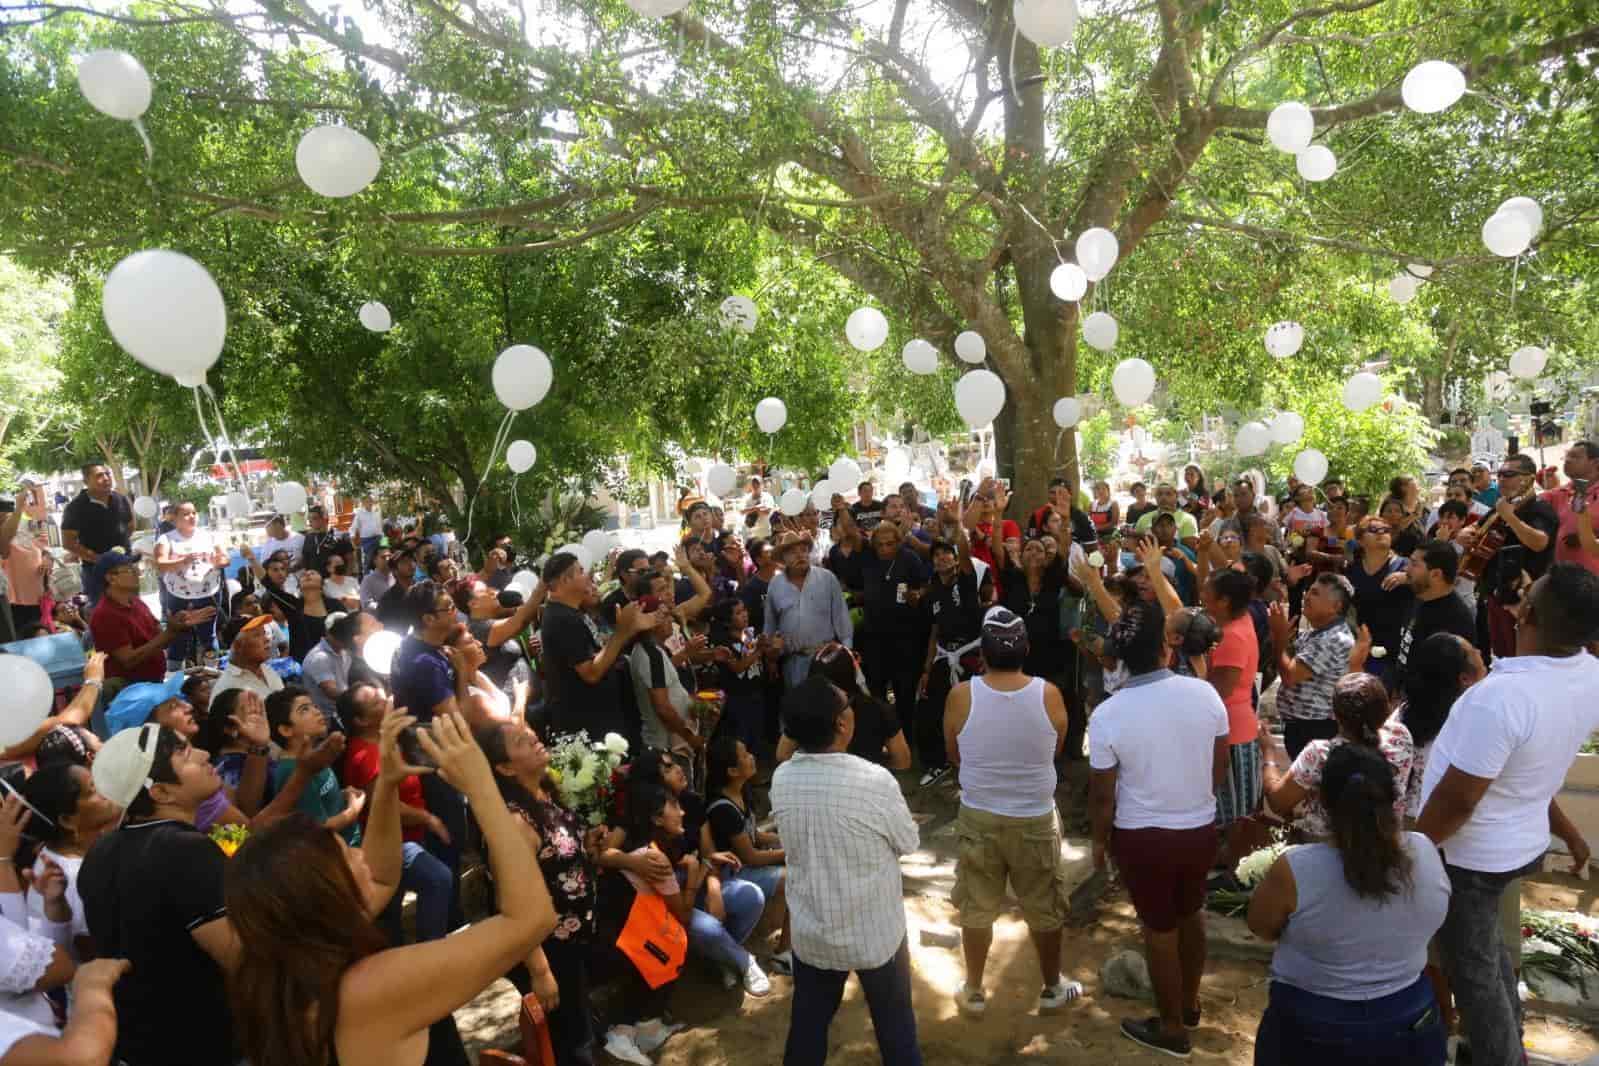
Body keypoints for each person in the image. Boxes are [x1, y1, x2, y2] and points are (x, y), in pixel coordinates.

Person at [226, 711, 557, 1066]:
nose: (359, 853)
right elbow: (532, 919)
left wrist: (387, 781)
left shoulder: (295, 979)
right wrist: (482, 788)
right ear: (323, 891)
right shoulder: (367, 992)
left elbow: (383, 877)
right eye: (344, 853)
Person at [1417, 564, 1599, 1066]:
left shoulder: (1500, 699)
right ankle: (1502, 1042)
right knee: (1489, 955)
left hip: (1470, 857)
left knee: (1475, 981)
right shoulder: (1587, 673)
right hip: (1515, 843)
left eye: (1525, 595)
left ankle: (1502, 1056)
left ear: (1529, 614)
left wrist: (1412, 847)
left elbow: (1458, 800)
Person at [1248, 744, 1450, 1065]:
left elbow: (1261, 926)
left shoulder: (1296, 868)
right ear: (1393, 798)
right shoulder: (1424, 851)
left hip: (1311, 1022)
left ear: (1321, 801)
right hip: (1408, 1016)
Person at [1088, 600, 1229, 1058]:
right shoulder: (1204, 694)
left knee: (1158, 930)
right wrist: (1194, 800)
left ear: (1122, 657)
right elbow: (1218, 764)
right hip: (1199, 828)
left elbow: (1103, 796)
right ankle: (1187, 1006)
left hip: (1143, 838)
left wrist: (1099, 842)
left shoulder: (1109, 713)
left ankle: (1171, 1029)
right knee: (1192, 914)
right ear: (1167, 649)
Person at [772, 675, 922, 1066]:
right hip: (876, 933)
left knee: (807, 1027)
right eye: (847, 704)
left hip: (814, 931)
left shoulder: (782, 778)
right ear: (841, 724)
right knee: (896, 1027)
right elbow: (908, 842)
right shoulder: (874, 780)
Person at [77, 724, 242, 1066]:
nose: (204, 754)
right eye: (185, 754)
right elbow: (239, 956)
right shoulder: (186, 850)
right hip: (197, 1043)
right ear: (161, 792)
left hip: (136, 1042)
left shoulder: (100, 851)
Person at [942, 607, 1080, 1016]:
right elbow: (1053, 751)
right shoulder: (1049, 694)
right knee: (1044, 904)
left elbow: (954, 755)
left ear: (981, 653)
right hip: (1034, 816)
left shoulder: (961, 695)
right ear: (1027, 649)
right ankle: (1053, 987)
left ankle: (973, 989)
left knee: (977, 903)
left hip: (979, 814)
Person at [339, 683, 454, 947]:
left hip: (409, 837)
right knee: (437, 878)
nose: (386, 698)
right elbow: (385, 806)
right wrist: (427, 818)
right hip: (395, 842)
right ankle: (432, 951)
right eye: (376, 702)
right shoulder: (365, 755)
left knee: (389, 910)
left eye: (382, 693)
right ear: (361, 720)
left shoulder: (385, 741)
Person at [1261, 673, 1415, 841]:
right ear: (1386, 709)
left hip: (1326, 850)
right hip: (1386, 846)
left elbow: (1278, 803)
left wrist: (1268, 753)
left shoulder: (1320, 754)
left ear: (1335, 715)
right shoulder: (1401, 736)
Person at [540, 551, 655, 740]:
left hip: (600, 720)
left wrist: (628, 630)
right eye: (581, 571)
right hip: (587, 726)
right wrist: (621, 631)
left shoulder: (572, 613)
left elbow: (601, 655)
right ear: (564, 580)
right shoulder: (562, 619)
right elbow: (591, 673)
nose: (588, 576)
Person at [16, 762, 122, 964]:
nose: (105, 790)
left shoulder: (55, 855)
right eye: (93, 789)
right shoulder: (74, 878)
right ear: (67, 820)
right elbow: (96, 953)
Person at [1459, 453, 1558, 661]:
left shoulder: (1539, 508)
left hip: (1524, 600)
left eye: (1508, 474)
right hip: (1495, 593)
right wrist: (1465, 534)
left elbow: (1540, 542)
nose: (1501, 479)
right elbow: (1474, 527)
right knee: (1502, 658)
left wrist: (1510, 517)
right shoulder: (1501, 507)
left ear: (1528, 479)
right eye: (1500, 474)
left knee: (1524, 659)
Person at [705, 736, 792, 971]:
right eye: (744, 755)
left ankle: (782, 944)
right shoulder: (723, 808)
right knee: (793, 877)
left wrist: (785, 840)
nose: (751, 756)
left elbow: (755, 835)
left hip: (747, 866)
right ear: (732, 770)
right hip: (733, 873)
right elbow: (751, 856)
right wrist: (791, 851)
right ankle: (784, 952)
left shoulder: (742, 793)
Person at [916, 505, 982, 786]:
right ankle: (938, 763)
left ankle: (976, 765)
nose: (942, 558)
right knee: (929, 711)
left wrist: (957, 527)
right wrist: (927, 668)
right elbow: (934, 631)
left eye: (947, 554)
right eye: (937, 555)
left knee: (974, 713)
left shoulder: (966, 582)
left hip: (969, 656)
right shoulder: (932, 593)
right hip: (944, 656)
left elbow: (965, 553)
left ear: (955, 560)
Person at [88, 550, 213, 687]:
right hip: (131, 691)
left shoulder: (135, 602)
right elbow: (129, 659)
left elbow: (160, 639)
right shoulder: (105, 614)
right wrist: (170, 632)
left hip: (153, 683)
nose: (137, 572)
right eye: (129, 569)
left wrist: (177, 626)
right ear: (111, 579)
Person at [1267, 574, 1356, 759]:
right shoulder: (1317, 633)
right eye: (1308, 591)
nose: (1306, 597)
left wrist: (1279, 639)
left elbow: (1290, 675)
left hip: (1315, 729)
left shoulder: (1332, 639)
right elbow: (1291, 659)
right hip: (1303, 727)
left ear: (1336, 606)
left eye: (1315, 593)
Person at [1202, 568, 1260, 844]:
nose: (1201, 596)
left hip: (1231, 733)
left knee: (1232, 813)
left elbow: (1220, 690)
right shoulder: (1238, 620)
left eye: (1206, 592)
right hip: (1237, 726)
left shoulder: (1231, 636)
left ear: (1223, 601)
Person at [266, 685, 365, 844]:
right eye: (304, 709)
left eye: (314, 706)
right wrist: (353, 810)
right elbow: (318, 828)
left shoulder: (316, 754)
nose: (316, 711)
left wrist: (343, 794)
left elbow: (320, 797)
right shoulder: (291, 770)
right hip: (338, 853)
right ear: (286, 729)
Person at [856, 519, 929, 718]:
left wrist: (918, 595)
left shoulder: (910, 559)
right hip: (875, 640)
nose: (885, 548)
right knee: (876, 695)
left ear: (898, 542)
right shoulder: (868, 559)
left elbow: (925, 585)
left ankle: (905, 740)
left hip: (905, 640)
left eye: (890, 544)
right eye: (880, 544)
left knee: (904, 696)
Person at [764, 531, 853, 689]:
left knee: (828, 707)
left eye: (803, 550)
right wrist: (771, 659)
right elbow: (770, 626)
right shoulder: (775, 585)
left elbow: (842, 618)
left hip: (826, 658)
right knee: (799, 709)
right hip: (793, 662)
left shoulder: (827, 578)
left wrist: (847, 654)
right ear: (783, 558)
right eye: (792, 552)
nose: (800, 556)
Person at [1390, 541, 1475, 694]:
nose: (1406, 569)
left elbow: (1447, 682)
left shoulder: (1456, 620)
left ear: (1436, 574)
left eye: (1414, 564)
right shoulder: (1419, 597)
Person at [152, 502, 228, 668]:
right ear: (175, 518)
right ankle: (174, 672)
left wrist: (218, 562)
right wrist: (183, 560)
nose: (192, 517)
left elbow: (224, 558)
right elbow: (160, 563)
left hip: (208, 592)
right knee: (178, 634)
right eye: (186, 514)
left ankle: (212, 671)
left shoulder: (209, 536)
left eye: (194, 513)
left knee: (208, 635)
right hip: (178, 595)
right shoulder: (166, 538)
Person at [1346, 515, 1412, 679]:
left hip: (1394, 649)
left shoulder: (1405, 565)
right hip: (1362, 646)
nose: (1381, 533)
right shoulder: (1353, 569)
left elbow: (1429, 585)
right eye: (1373, 530)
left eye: (1385, 530)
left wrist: (1408, 578)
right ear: (1360, 541)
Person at [60, 463, 133, 607]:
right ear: (86, 481)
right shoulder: (76, 507)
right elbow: (68, 542)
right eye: (99, 475)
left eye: (107, 474)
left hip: (125, 567)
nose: (106, 478)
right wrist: (99, 559)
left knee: (131, 608)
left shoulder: (121, 499)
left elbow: (130, 527)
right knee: (103, 614)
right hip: (95, 572)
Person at [1542, 440, 1599, 574]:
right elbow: (1531, 502)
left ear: (1596, 463)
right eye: (1567, 456)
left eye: (1575, 457)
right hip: (1563, 581)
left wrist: (1589, 536)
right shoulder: (1561, 492)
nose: (1567, 460)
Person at [303, 609, 361, 725]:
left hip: (345, 711)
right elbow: (331, 691)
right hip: (327, 719)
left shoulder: (345, 652)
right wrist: (359, 698)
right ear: (328, 633)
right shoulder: (319, 658)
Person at [211, 614, 286, 703]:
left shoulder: (267, 670)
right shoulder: (226, 688)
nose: (267, 639)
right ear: (238, 646)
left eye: (264, 633)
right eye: (257, 635)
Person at [353, 495, 385, 572]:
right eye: (367, 501)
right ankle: (366, 581)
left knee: (385, 558)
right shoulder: (359, 513)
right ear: (363, 503)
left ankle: (385, 578)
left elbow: (381, 527)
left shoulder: (377, 511)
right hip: (367, 541)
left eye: (371, 501)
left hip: (380, 537)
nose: (369, 503)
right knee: (368, 562)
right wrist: (353, 543)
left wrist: (385, 541)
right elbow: (353, 528)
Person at [361, 545, 396, 611]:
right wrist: (384, 607)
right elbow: (366, 604)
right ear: (375, 561)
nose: (388, 559)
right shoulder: (368, 580)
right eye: (383, 557)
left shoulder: (396, 577)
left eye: (389, 556)